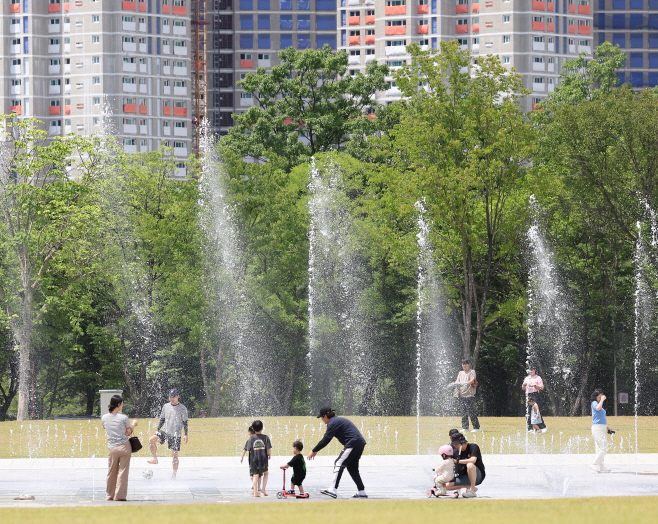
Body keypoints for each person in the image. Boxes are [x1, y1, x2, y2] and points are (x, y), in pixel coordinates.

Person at [308, 406, 368, 499]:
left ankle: (333, 489)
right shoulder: (336, 420)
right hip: (359, 443)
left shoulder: (332, 423)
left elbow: (326, 440)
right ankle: (361, 491)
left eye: (321, 417)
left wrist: (314, 450)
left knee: (338, 463)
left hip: (353, 443)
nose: (322, 420)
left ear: (325, 416)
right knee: (352, 468)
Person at [101, 394, 138, 501]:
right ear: (119, 404)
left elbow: (106, 428)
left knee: (111, 471)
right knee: (123, 471)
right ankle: (119, 496)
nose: (122, 405)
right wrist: (134, 424)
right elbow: (128, 432)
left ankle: (110, 494)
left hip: (112, 448)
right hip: (124, 447)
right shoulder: (123, 417)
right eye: (122, 403)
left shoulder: (104, 417)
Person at [148, 388, 189, 479]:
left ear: (178, 396)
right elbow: (162, 419)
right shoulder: (166, 406)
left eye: (173, 397)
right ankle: (155, 458)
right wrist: (158, 429)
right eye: (170, 397)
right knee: (151, 440)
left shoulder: (182, 408)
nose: (172, 399)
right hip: (165, 431)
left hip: (176, 434)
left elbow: (185, 422)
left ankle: (174, 474)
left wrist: (186, 434)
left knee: (174, 455)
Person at [444, 432, 485, 498]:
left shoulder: (473, 447)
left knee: (470, 465)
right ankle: (469, 486)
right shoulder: (455, 452)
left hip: (477, 475)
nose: (455, 446)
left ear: (462, 442)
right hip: (464, 476)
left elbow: (473, 460)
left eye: (456, 444)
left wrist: (457, 461)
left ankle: (472, 491)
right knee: (444, 486)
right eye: (454, 444)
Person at [241, 420, 272, 497]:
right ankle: (263, 488)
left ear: (253, 429)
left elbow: (249, 449)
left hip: (253, 460)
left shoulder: (251, 439)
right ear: (262, 428)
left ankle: (255, 493)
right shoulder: (266, 437)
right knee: (266, 473)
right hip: (263, 459)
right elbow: (268, 449)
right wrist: (269, 455)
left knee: (255, 475)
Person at [454, 359, 482, 432]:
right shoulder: (460, 373)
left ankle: (477, 428)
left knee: (471, 411)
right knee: (463, 412)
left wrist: (466, 383)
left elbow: (472, 380)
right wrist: (457, 383)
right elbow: (457, 380)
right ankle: (465, 428)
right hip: (461, 395)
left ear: (469, 364)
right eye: (463, 364)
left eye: (465, 364)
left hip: (469, 395)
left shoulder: (472, 371)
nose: (464, 366)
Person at [590, 389, 612, 473]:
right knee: (604, 447)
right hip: (597, 428)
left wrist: (608, 428)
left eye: (601, 396)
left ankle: (601, 466)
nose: (601, 398)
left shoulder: (599, 404)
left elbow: (601, 418)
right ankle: (594, 464)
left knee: (600, 448)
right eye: (599, 396)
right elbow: (598, 408)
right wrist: (602, 400)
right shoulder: (594, 403)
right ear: (596, 396)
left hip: (601, 428)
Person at [522, 366, 545, 432]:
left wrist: (534, 385)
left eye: (532, 370)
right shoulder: (527, 378)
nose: (530, 372)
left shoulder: (538, 378)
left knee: (535, 410)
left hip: (535, 394)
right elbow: (523, 388)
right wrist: (524, 385)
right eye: (529, 370)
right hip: (528, 394)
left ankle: (541, 426)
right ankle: (530, 428)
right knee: (528, 412)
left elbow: (541, 387)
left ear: (535, 370)